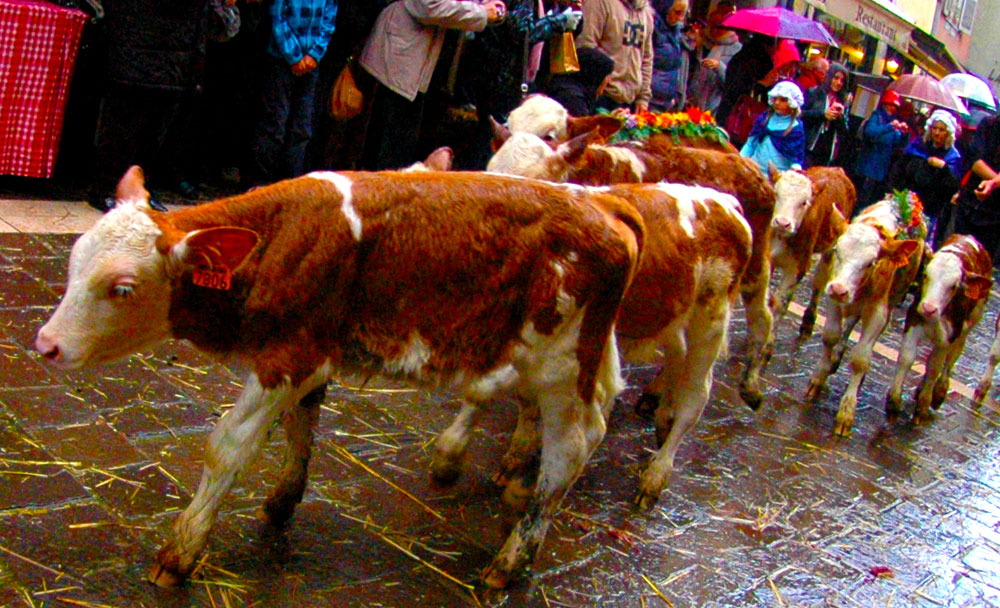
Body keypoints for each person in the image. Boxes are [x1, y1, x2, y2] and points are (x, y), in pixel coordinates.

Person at [88, 0, 225, 212]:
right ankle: (105, 188)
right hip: (134, 51)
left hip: (176, 58)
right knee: (121, 130)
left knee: (154, 135)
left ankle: (142, 190)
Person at [359, 0, 504, 170]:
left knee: (408, 155)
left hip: (426, 71)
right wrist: (481, 12)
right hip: (400, 63)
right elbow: (429, 7)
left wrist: (487, 6)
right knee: (390, 156)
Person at [459, 0, 582, 168]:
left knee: (487, 137)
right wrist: (560, 22)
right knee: (490, 140)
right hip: (499, 76)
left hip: (496, 72)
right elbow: (522, 31)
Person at [247, 0, 338, 186]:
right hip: (280, 58)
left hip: (311, 63)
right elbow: (277, 16)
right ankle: (261, 183)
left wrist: (314, 54)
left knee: (302, 129)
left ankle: (292, 184)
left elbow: (329, 19)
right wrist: (294, 55)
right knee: (274, 125)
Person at [887, 109, 961, 241]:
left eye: (942, 130)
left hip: (929, 211)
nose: (937, 133)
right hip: (905, 204)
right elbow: (898, 171)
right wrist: (894, 191)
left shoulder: (952, 157)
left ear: (948, 133)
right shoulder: (917, 146)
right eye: (935, 128)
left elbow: (952, 185)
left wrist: (943, 168)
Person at [576, 0, 655, 113]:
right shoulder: (598, 3)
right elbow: (585, 45)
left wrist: (643, 97)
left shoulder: (645, 11)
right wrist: (601, 78)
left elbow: (646, 58)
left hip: (631, 101)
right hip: (600, 96)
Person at [950, 112, 1000, 259]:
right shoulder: (989, 124)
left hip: (994, 215)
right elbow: (975, 162)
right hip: (969, 204)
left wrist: (993, 183)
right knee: (956, 255)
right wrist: (994, 181)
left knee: (982, 264)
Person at [854, 89, 908, 207]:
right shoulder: (876, 116)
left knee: (871, 201)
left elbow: (896, 142)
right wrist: (889, 127)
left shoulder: (893, 121)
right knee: (862, 200)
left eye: (895, 106)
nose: (893, 108)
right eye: (891, 105)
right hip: (868, 168)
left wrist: (903, 133)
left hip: (881, 171)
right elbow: (870, 133)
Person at [739, 80, 805, 175]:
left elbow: (796, 159)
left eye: (783, 100)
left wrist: (795, 171)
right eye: (775, 99)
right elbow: (750, 144)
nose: (777, 103)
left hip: (778, 177)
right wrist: (740, 159)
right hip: (755, 171)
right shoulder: (764, 118)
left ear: (792, 103)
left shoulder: (795, 129)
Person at [685, 2, 740, 114]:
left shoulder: (735, 48)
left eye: (720, 27)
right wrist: (691, 44)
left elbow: (733, 84)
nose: (715, 31)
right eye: (712, 25)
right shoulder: (702, 40)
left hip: (714, 104)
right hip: (692, 101)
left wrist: (719, 67)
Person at [714, 33, 774, 127]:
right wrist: (762, 84)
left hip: (726, 113)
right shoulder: (760, 63)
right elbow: (739, 90)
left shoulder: (741, 55)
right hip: (739, 120)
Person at [801, 62, 850, 167]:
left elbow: (844, 131)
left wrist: (840, 117)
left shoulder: (842, 101)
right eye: (836, 78)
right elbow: (801, 115)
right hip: (810, 147)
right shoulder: (814, 92)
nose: (838, 83)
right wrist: (823, 114)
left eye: (842, 81)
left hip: (827, 151)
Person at [546, 46, 616, 117]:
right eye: (606, 77)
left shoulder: (566, 87)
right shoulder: (573, 100)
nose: (608, 81)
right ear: (596, 76)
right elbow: (580, 126)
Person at [649, 0, 692, 112]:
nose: (679, 18)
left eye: (683, 14)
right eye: (677, 12)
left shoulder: (676, 32)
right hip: (650, 97)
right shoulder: (652, 28)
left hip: (666, 99)